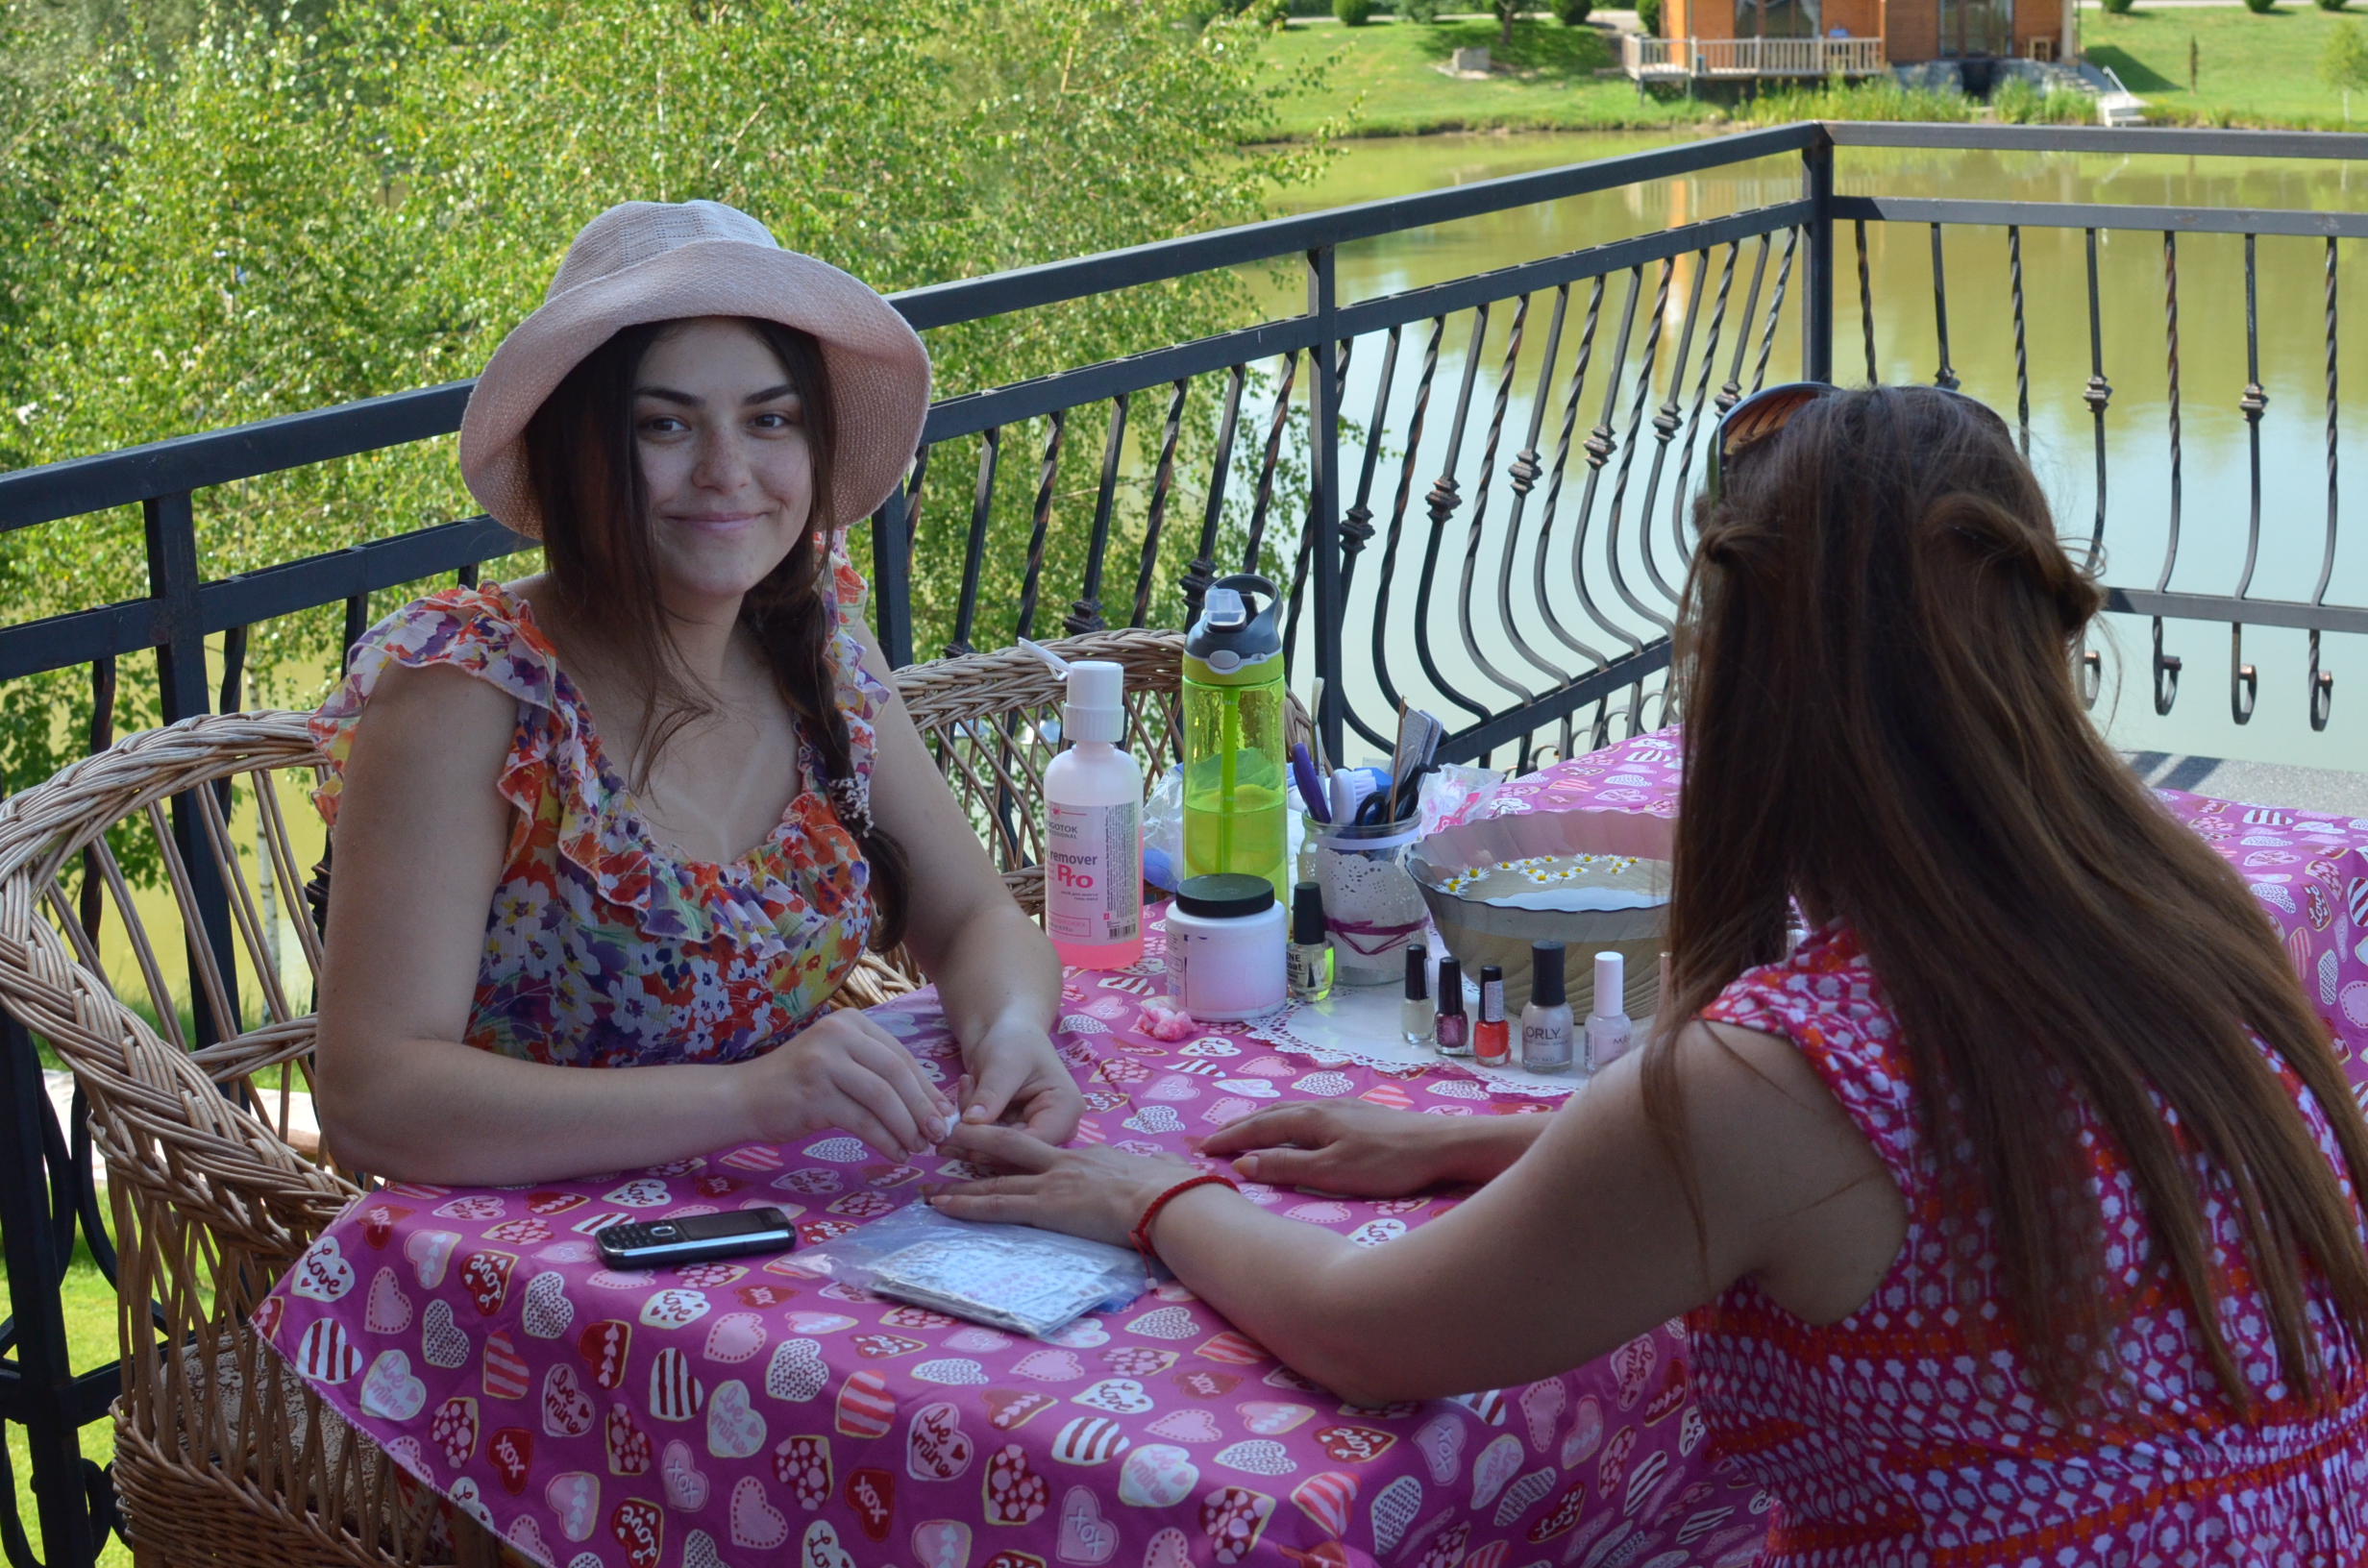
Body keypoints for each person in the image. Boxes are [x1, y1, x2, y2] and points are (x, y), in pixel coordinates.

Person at [929, 385, 2368, 1559]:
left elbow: (1370, 1336)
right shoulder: (2183, 914)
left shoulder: (1783, 1080)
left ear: (1739, 680)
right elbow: (1947, 1168)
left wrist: (1154, 1194)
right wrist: (1484, 1141)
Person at [312, 200, 1079, 1186]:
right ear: (574, 451)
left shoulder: (819, 644)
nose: (727, 472)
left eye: (770, 419)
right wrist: (751, 1099)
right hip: (526, 1286)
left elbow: (977, 920)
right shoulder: (470, 692)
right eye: (665, 424)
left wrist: (1011, 1031)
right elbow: (373, 1102)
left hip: (784, 1253)